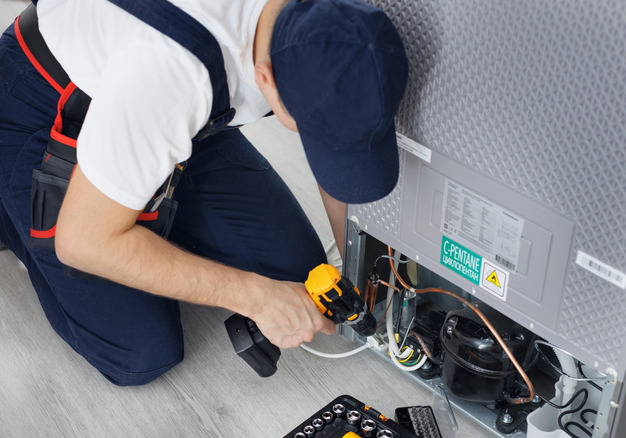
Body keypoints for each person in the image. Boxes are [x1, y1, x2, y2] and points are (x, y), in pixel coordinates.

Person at [0, 0, 408, 386]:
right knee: (141, 351)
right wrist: (255, 298)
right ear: (265, 77)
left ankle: (138, 195)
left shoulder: (330, 29)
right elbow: (83, 242)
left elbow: (333, 130)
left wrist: (359, 268)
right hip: (44, 98)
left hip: (166, 108)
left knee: (298, 272)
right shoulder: (174, 75)